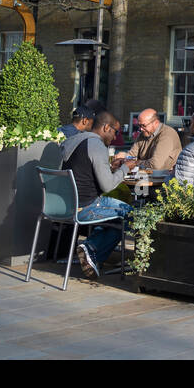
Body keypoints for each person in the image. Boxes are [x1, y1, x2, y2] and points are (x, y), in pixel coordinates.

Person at [62, 114, 136, 279]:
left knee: (115, 217)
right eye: (115, 132)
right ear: (106, 127)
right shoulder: (96, 145)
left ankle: (90, 251)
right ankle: (92, 249)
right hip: (86, 207)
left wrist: (110, 168)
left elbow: (83, 172)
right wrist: (125, 169)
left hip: (64, 206)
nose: (115, 137)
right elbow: (107, 186)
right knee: (130, 214)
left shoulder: (73, 141)